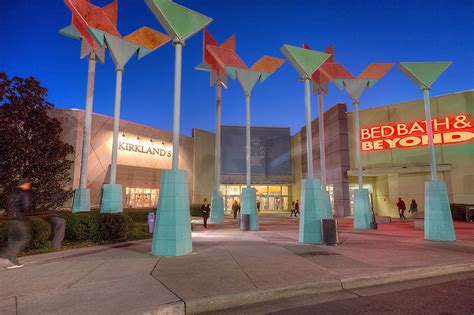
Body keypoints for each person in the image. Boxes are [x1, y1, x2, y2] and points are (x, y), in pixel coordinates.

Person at [0, 179, 32, 270]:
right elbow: (25, 206)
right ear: (24, 184)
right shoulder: (23, 193)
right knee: (24, 238)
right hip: (19, 219)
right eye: (28, 184)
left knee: (13, 239)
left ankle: (5, 256)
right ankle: (10, 259)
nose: (29, 185)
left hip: (11, 219)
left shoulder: (12, 192)